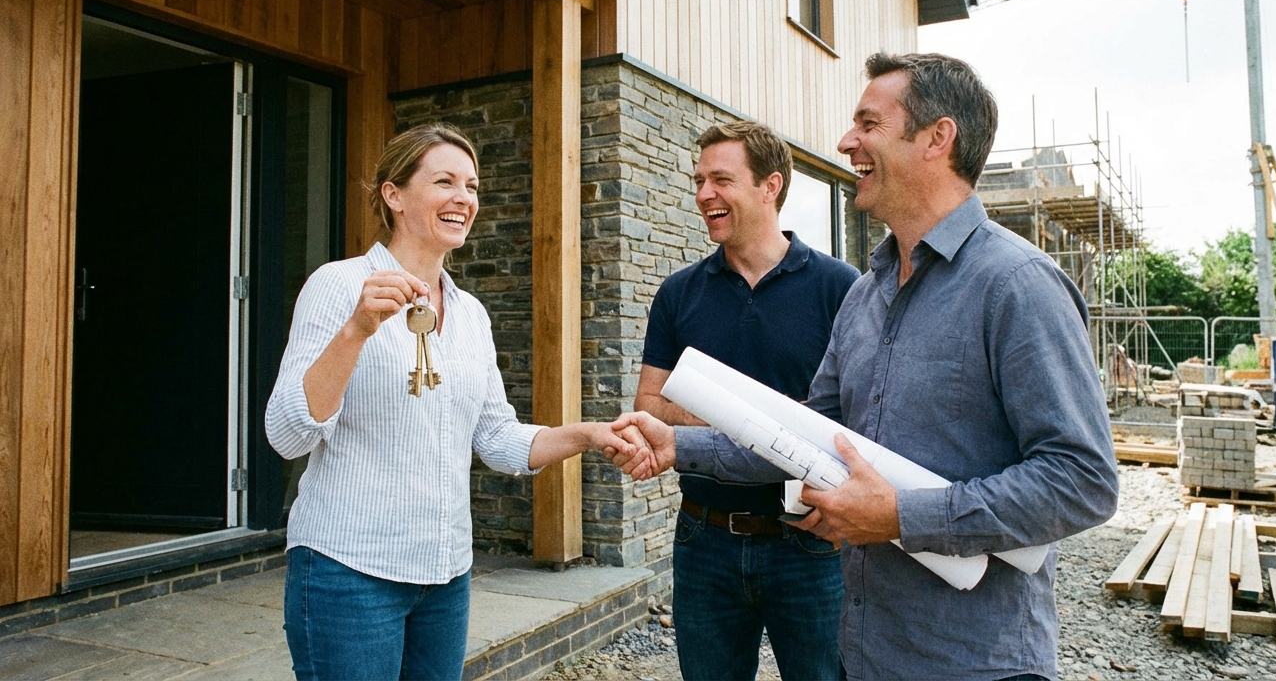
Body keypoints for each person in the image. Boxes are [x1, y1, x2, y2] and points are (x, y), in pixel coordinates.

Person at [616, 53, 1119, 680]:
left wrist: (902, 518)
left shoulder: (1016, 286)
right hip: (866, 652)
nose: (846, 141)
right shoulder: (866, 295)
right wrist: (677, 445)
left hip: (975, 663)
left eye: (868, 124)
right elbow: (802, 437)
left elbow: (1082, 480)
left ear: (938, 137)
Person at [266, 123, 649, 681]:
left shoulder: (470, 313)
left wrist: (588, 435)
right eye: (445, 181)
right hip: (348, 570)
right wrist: (356, 330)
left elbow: (496, 437)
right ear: (392, 195)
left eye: (472, 187)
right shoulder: (339, 285)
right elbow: (287, 434)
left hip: (445, 576)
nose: (464, 199)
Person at [633, 121, 858, 681]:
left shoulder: (840, 287)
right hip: (704, 538)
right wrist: (754, 422)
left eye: (721, 180)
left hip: (809, 544)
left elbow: (858, 418)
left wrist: (734, 424)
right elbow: (649, 402)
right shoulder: (679, 293)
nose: (704, 193)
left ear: (770, 186)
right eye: (699, 180)